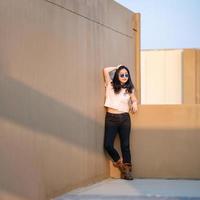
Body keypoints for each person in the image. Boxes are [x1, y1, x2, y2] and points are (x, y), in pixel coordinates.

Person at [103, 64, 138, 180]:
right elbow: (105, 70)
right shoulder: (110, 84)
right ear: (117, 75)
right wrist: (118, 66)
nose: (124, 76)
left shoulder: (129, 88)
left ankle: (127, 171)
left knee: (125, 145)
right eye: (122, 74)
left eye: (126, 75)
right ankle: (120, 162)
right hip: (111, 118)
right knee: (108, 145)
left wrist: (134, 103)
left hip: (124, 118)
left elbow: (133, 98)